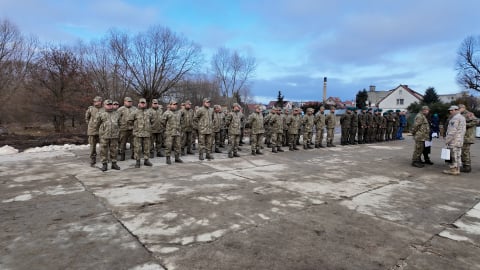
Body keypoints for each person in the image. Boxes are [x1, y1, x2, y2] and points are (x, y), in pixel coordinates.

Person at [95, 99, 121, 171]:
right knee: (103, 150)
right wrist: (101, 132)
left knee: (114, 150)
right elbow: (96, 124)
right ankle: (104, 164)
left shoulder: (116, 113)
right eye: (108, 105)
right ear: (104, 105)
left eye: (110, 104)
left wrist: (117, 131)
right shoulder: (100, 113)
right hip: (104, 135)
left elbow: (120, 123)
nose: (110, 106)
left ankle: (114, 163)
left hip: (114, 135)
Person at [129, 98, 153, 168]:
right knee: (137, 148)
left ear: (146, 104)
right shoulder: (135, 112)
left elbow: (152, 121)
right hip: (138, 133)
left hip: (147, 133)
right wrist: (134, 128)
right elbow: (129, 121)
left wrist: (149, 128)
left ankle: (146, 160)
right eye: (141, 103)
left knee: (147, 147)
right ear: (139, 104)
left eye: (144, 103)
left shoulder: (149, 112)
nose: (143, 104)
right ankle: (138, 161)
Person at [443, 105, 466, 175]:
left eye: (451, 110)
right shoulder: (462, 118)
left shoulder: (455, 118)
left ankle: (454, 170)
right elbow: (463, 130)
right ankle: (458, 169)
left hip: (454, 140)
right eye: (450, 110)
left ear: (456, 110)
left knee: (454, 155)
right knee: (458, 155)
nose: (450, 112)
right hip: (460, 139)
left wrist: (447, 140)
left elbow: (452, 131)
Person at [162, 100, 183, 164]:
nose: (175, 106)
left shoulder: (179, 113)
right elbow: (163, 122)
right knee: (168, 146)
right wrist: (168, 129)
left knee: (177, 146)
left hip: (177, 132)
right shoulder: (166, 113)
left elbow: (181, 121)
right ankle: (168, 158)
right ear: (170, 105)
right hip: (169, 133)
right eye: (173, 104)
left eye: (176, 104)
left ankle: (177, 158)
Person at [459, 104, 478, 173]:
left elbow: (476, 121)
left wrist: (465, 125)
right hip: (464, 136)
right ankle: (465, 165)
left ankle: (467, 167)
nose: (458, 110)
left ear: (463, 108)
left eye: (459, 108)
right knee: (464, 151)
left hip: (468, 136)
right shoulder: (461, 114)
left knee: (465, 151)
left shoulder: (468, 113)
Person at [85, 96, 103, 167]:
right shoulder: (91, 109)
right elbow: (87, 118)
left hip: (101, 130)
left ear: (100, 101)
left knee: (103, 146)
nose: (95, 102)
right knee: (92, 146)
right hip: (92, 130)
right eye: (94, 101)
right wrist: (90, 124)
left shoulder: (104, 109)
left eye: (97, 101)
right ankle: (93, 159)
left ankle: (103, 158)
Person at [117, 97, 136, 161]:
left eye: (130, 101)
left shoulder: (135, 109)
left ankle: (133, 155)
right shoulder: (120, 109)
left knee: (134, 142)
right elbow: (117, 118)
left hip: (133, 128)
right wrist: (120, 125)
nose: (129, 103)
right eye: (128, 101)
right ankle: (122, 156)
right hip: (123, 129)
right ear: (124, 102)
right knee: (123, 143)